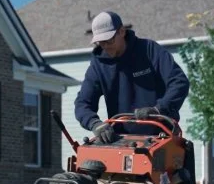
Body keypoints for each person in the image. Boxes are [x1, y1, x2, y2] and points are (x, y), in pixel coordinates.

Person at [75, 11, 190, 143]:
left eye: (109, 40)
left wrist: (158, 109)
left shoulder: (149, 50)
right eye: (100, 43)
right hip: (120, 140)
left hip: (161, 136)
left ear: (122, 32)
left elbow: (179, 82)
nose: (105, 46)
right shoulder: (99, 64)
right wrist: (94, 123)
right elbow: (83, 103)